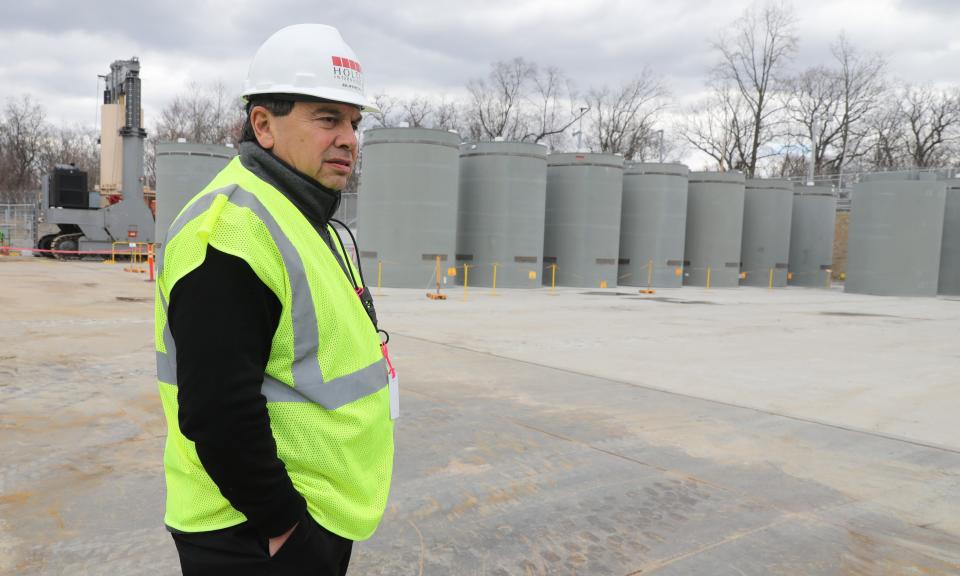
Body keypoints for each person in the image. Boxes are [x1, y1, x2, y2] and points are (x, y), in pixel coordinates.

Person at [155, 23, 396, 575]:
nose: (348, 139)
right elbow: (218, 411)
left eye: (355, 123)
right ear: (263, 124)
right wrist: (285, 527)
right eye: (327, 118)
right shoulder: (229, 231)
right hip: (252, 533)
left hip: (301, 519)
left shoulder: (301, 214)